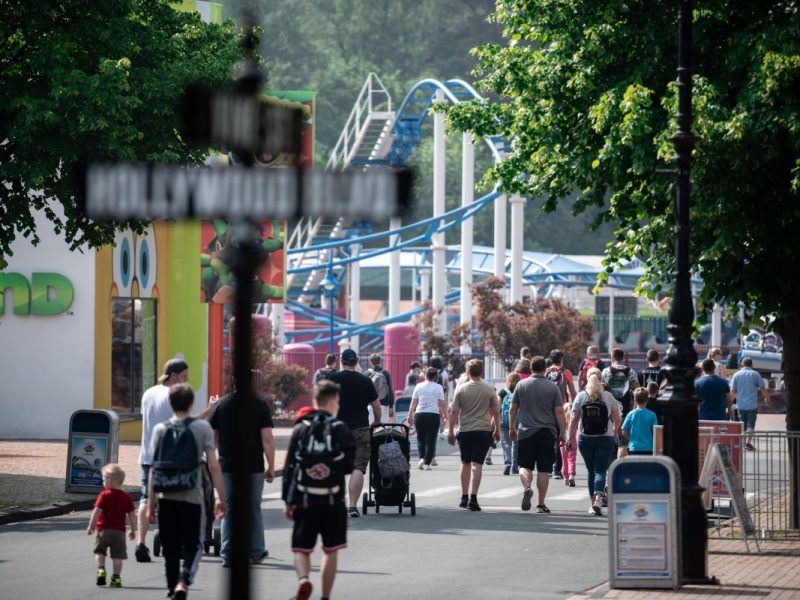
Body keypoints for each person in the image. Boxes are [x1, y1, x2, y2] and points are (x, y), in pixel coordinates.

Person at [147, 383, 226, 600]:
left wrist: (151, 503)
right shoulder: (202, 429)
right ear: (191, 404)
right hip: (192, 496)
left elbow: (154, 468)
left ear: (170, 403)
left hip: (165, 496)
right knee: (194, 545)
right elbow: (214, 465)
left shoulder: (160, 429)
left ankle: (172, 588)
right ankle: (184, 581)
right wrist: (219, 496)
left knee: (170, 548)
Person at [283, 380, 355, 600]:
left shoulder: (300, 429)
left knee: (301, 549)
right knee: (330, 549)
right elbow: (348, 466)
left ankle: (304, 580)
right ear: (333, 401)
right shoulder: (340, 429)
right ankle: (325, 596)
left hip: (305, 497)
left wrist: (289, 500)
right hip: (333, 499)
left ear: (315, 400)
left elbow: (290, 468)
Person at [208, 386, 276, 566]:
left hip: (227, 466)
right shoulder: (260, 405)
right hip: (252, 466)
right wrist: (271, 465)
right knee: (253, 507)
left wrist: (212, 463)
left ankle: (228, 554)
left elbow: (211, 438)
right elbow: (267, 438)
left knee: (229, 508)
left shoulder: (220, 405)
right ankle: (256, 552)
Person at [136, 357, 189, 563]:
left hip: (147, 457)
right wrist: (211, 410)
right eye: (184, 376)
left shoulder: (148, 393)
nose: (186, 381)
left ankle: (141, 543)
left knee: (145, 500)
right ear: (174, 376)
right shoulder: (175, 395)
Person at [509, 356, 567, 514]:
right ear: (544, 369)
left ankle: (527, 487)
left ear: (531, 369)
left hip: (526, 431)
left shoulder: (521, 385)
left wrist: (512, 427)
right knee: (543, 469)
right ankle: (541, 504)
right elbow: (559, 411)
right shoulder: (552, 387)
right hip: (546, 432)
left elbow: (513, 409)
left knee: (524, 466)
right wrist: (563, 431)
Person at [329, 348, 382, 517]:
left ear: (341, 361)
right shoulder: (365, 381)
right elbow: (376, 405)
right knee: (358, 467)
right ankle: (352, 506)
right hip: (360, 429)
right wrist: (377, 421)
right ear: (356, 361)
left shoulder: (333, 379)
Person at [448, 359, 500, 511]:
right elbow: (496, 412)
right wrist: (496, 429)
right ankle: (473, 498)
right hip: (483, 430)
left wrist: (451, 431)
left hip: (465, 430)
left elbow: (454, 412)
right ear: (481, 371)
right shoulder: (489, 389)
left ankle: (464, 497)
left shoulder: (461, 389)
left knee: (465, 463)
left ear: (468, 372)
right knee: (477, 464)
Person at [568, 368, 621, 516]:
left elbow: (573, 419)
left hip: (585, 438)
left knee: (591, 470)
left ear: (586, 379)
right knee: (601, 469)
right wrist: (615, 431)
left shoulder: (580, 397)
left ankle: (592, 504)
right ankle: (599, 498)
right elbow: (618, 418)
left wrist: (569, 437)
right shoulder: (608, 396)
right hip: (606, 437)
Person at [87, 463, 136, 588]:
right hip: (119, 532)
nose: (103, 482)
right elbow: (132, 514)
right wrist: (133, 530)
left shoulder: (104, 495)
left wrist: (91, 525)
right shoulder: (126, 497)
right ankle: (116, 578)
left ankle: (101, 570)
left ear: (109, 480)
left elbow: (97, 511)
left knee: (99, 552)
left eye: (103, 479)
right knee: (117, 556)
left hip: (103, 530)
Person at [407, 367, 446, 470]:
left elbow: (413, 402)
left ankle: (421, 458)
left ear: (425, 375)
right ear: (435, 377)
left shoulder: (419, 386)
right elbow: (442, 404)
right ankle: (428, 463)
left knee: (420, 437)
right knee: (431, 439)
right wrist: (445, 416)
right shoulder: (438, 387)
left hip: (420, 413)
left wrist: (410, 414)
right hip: (433, 414)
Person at [546, 349, 576, 479]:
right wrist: (574, 408)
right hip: (561, 409)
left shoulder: (546, 372)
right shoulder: (566, 372)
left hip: (545, 409)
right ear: (561, 359)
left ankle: (547, 467)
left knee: (547, 438)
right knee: (560, 438)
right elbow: (572, 392)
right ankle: (557, 469)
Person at [730, 357, 767, 451]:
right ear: (751, 365)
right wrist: (767, 398)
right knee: (750, 425)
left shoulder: (736, 375)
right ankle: (748, 443)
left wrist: (729, 402)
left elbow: (733, 391)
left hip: (740, 404)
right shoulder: (755, 374)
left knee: (742, 423)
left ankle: (741, 443)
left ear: (742, 364)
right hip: (752, 405)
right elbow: (762, 387)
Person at [601, 348, 639, 417]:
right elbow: (638, 390)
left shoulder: (606, 371)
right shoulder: (631, 371)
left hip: (609, 407)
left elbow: (601, 389)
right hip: (626, 406)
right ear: (623, 358)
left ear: (612, 358)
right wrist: (635, 405)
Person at [621, 388, 659, 455]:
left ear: (635, 400)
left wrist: (632, 438)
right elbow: (656, 432)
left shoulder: (630, 414)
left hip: (634, 448)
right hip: (648, 448)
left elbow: (624, 432)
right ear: (647, 400)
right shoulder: (652, 415)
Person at [498, 371, 521, 476]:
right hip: (517, 421)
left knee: (506, 443)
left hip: (504, 421)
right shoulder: (520, 391)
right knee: (515, 444)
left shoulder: (503, 392)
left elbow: (498, 407)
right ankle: (515, 467)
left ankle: (507, 462)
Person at [367, 353, 395, 421]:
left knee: (371, 428)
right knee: (382, 428)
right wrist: (391, 406)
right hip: (383, 405)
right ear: (380, 361)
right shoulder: (385, 373)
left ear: (370, 362)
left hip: (370, 405)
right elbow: (389, 390)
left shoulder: (366, 374)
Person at [560, 401, 577, 486]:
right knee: (572, 459)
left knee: (564, 460)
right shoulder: (574, 419)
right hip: (572, 440)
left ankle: (566, 478)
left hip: (563, 440)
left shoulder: (562, 419)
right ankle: (571, 475)